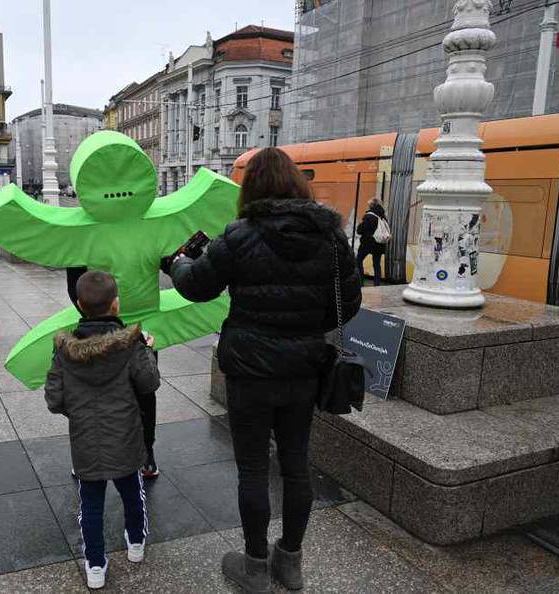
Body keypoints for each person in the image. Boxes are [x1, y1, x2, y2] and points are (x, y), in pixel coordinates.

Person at [169, 147, 361, 593]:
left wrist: (178, 264)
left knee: (253, 469)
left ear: (251, 188)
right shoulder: (331, 238)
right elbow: (347, 305)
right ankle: (289, 562)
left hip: (250, 373)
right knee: (296, 465)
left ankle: (255, 566)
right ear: (297, 184)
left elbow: (196, 287)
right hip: (303, 372)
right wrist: (306, 328)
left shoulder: (239, 236)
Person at [44, 270, 159, 590]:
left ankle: (95, 566)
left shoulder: (64, 351)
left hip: (86, 442)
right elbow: (149, 384)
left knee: (90, 506)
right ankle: (136, 545)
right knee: (133, 495)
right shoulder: (131, 344)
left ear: (79, 305)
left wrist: (79, 412)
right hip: (126, 438)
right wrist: (147, 350)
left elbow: (54, 400)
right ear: (116, 306)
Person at [65, 264, 166, 479]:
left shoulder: (68, 348)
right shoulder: (146, 229)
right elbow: (149, 383)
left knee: (90, 395)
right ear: (116, 304)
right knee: (143, 394)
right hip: (137, 330)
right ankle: (144, 455)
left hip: (98, 330)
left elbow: (59, 397)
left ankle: (88, 458)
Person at [355, 197, 388, 286]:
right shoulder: (382, 216)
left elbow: (360, 230)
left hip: (367, 243)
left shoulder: (369, 216)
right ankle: (377, 284)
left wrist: (360, 226)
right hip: (379, 244)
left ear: (371, 206)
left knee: (358, 260)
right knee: (377, 264)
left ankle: (360, 282)